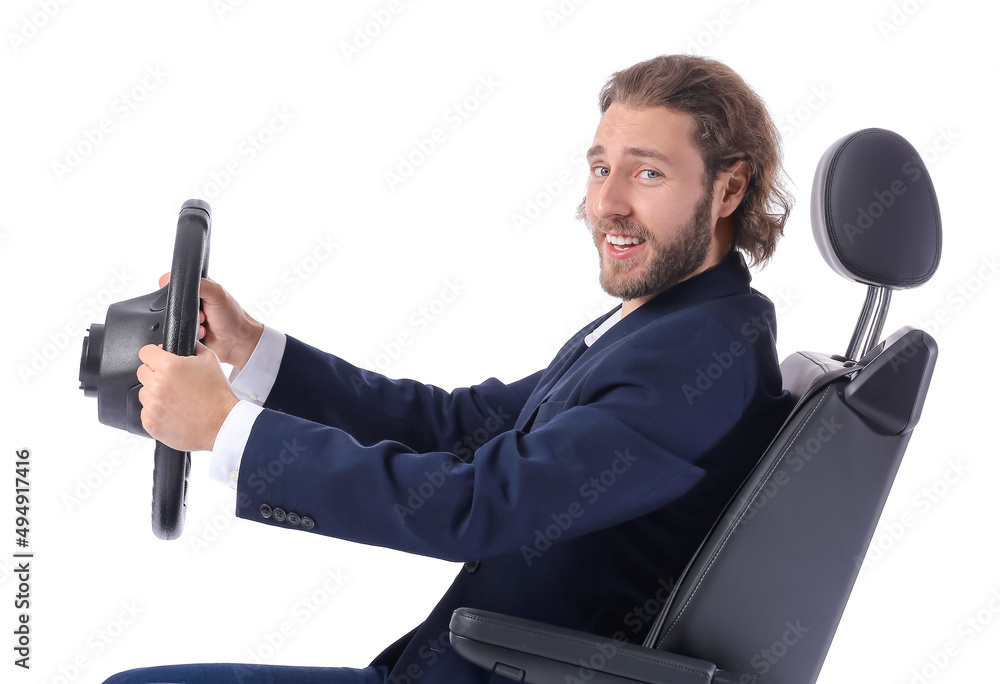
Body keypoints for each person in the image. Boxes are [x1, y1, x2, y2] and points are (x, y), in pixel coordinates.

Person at [106, 54, 795, 684]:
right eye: (599, 168)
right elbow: (463, 427)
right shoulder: (671, 323)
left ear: (728, 189)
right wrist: (251, 348)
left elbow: (476, 506)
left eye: (648, 172)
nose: (607, 203)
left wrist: (230, 430)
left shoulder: (695, 356)